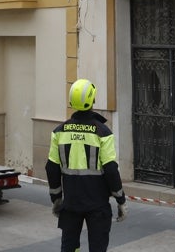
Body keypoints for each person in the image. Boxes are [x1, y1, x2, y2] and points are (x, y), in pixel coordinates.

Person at [47, 78, 127, 252]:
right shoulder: (103, 133)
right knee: (98, 247)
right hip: (97, 204)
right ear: (92, 100)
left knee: (69, 247)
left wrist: (56, 198)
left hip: (71, 203)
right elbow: (111, 170)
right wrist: (120, 199)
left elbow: (51, 168)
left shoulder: (59, 132)